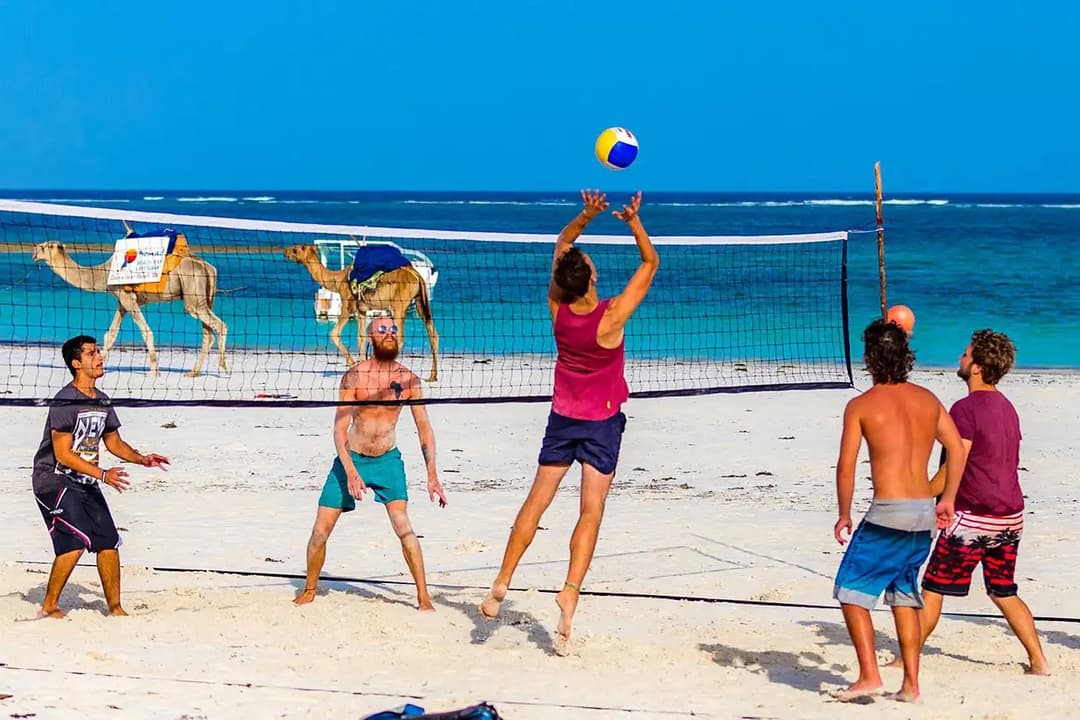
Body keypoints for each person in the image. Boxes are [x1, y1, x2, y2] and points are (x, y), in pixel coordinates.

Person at [480, 190, 659, 648]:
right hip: (601, 423)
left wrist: (587, 215)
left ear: (562, 282)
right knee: (591, 511)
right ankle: (569, 592)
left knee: (536, 501)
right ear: (593, 276)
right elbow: (650, 264)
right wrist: (633, 221)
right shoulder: (611, 315)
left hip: (563, 417)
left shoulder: (557, 309)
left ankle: (502, 581)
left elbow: (561, 243)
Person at [831, 319, 965, 702]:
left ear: (870, 358)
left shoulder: (860, 405)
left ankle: (870, 676)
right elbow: (956, 449)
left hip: (889, 513)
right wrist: (948, 498)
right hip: (923, 511)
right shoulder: (927, 399)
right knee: (904, 595)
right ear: (906, 357)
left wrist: (844, 514)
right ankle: (910, 685)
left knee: (851, 592)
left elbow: (845, 466)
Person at [912, 330, 1050, 674]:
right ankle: (1039, 661)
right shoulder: (1008, 408)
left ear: (976, 367)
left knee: (932, 587)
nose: (960, 357)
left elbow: (955, 463)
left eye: (965, 353)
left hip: (973, 518)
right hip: (1011, 515)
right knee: (1003, 591)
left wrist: (921, 492)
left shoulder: (964, 409)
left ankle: (906, 659)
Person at [294, 315, 447, 610]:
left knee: (404, 528)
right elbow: (339, 429)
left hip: (388, 461)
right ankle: (310, 588)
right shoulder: (355, 377)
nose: (389, 333)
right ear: (369, 338)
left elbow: (424, 428)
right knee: (319, 532)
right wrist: (350, 472)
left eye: (393, 329)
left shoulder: (409, 380)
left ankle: (423, 597)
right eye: (382, 329)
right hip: (350, 460)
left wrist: (432, 475)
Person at [31, 335, 170, 618]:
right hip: (54, 479)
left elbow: (114, 443)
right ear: (76, 363)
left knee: (108, 542)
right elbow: (62, 454)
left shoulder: (102, 400)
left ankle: (116, 608)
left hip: (85, 480)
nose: (100, 357)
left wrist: (142, 459)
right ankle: (49, 606)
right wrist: (103, 474)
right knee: (75, 544)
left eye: (99, 352)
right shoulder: (65, 400)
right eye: (92, 353)